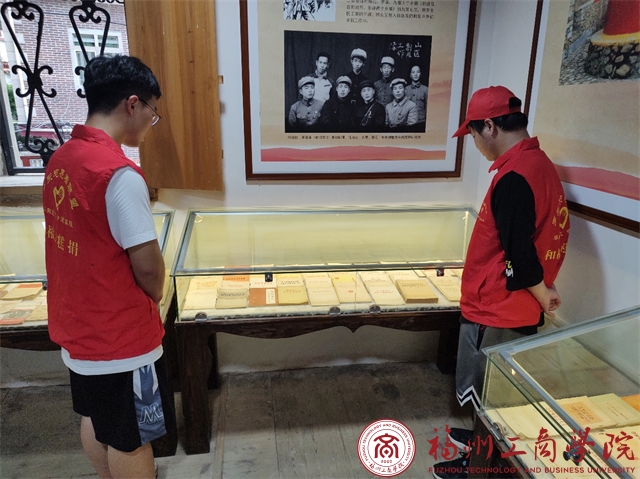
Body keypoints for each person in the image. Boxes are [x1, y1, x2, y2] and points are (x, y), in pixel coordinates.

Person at [43, 55, 173, 479]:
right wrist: (157, 296)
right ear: (132, 104)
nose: (151, 122)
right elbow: (149, 269)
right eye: (152, 111)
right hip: (119, 336)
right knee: (132, 438)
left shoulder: (62, 158)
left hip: (77, 325)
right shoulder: (119, 175)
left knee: (96, 416)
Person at [432, 86, 570, 479]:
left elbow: (519, 255)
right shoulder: (538, 163)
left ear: (490, 126)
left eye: (473, 134)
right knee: (493, 393)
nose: (475, 143)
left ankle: (479, 465)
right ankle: (483, 443)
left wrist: (543, 293)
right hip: (512, 303)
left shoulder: (514, 178)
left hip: (499, 306)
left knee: (490, 394)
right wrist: (544, 289)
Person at [406, 65, 428, 132]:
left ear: (420, 74)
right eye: (413, 72)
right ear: (410, 75)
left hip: (421, 122)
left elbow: (428, 108)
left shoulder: (426, 89)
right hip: (408, 123)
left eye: (418, 72)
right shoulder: (405, 89)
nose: (415, 74)